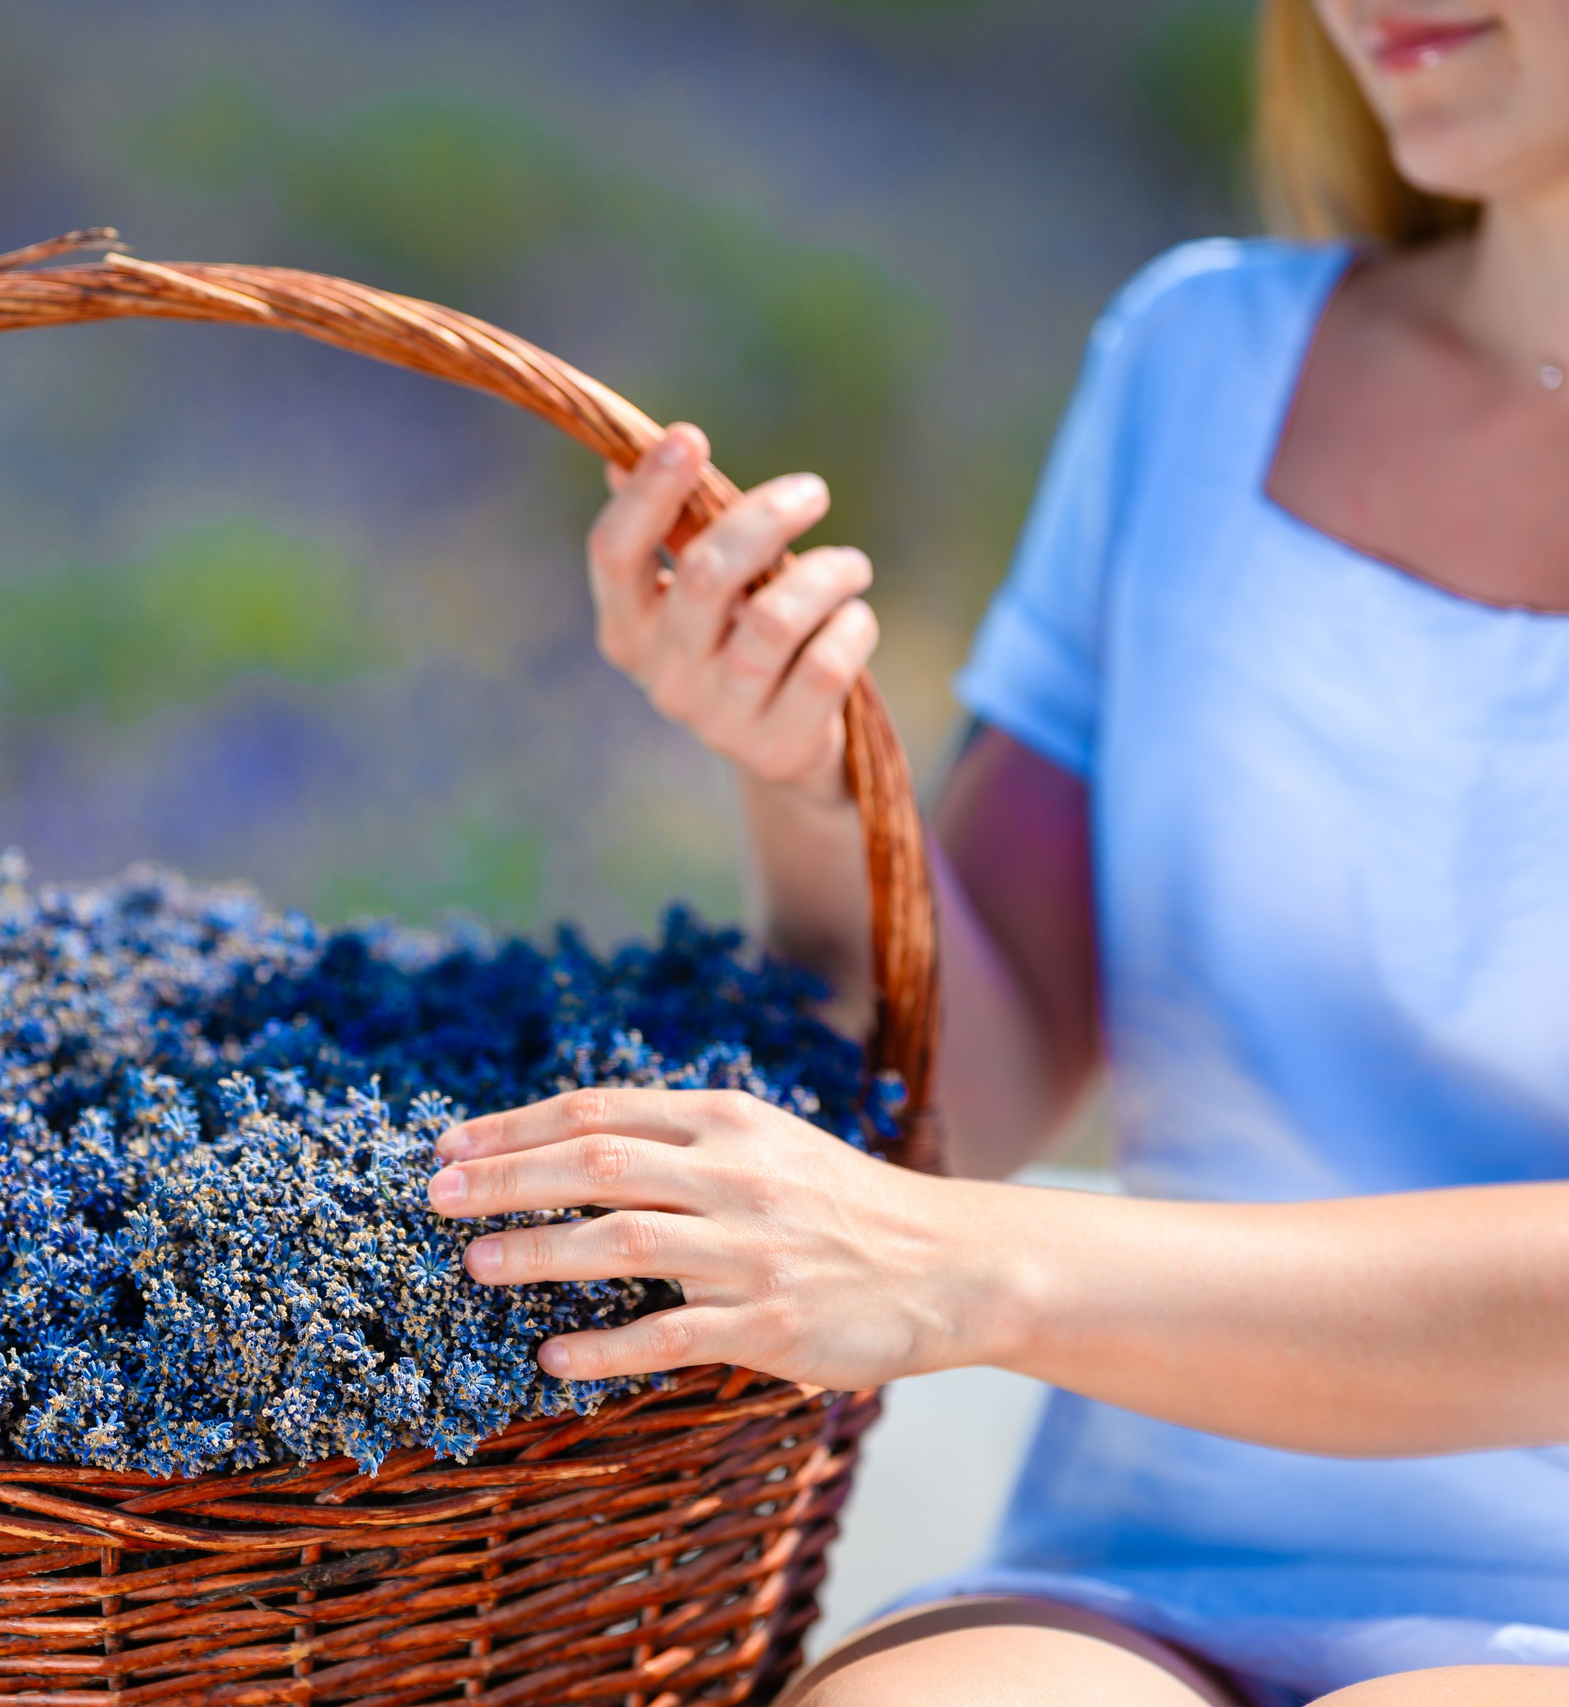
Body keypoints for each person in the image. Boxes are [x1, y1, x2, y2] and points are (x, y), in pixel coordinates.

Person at [423, 0, 1569, 1701]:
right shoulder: (1200, 360)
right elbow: (984, 1077)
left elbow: (958, 1229)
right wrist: (813, 776)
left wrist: (973, 1270)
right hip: (1144, 1564)